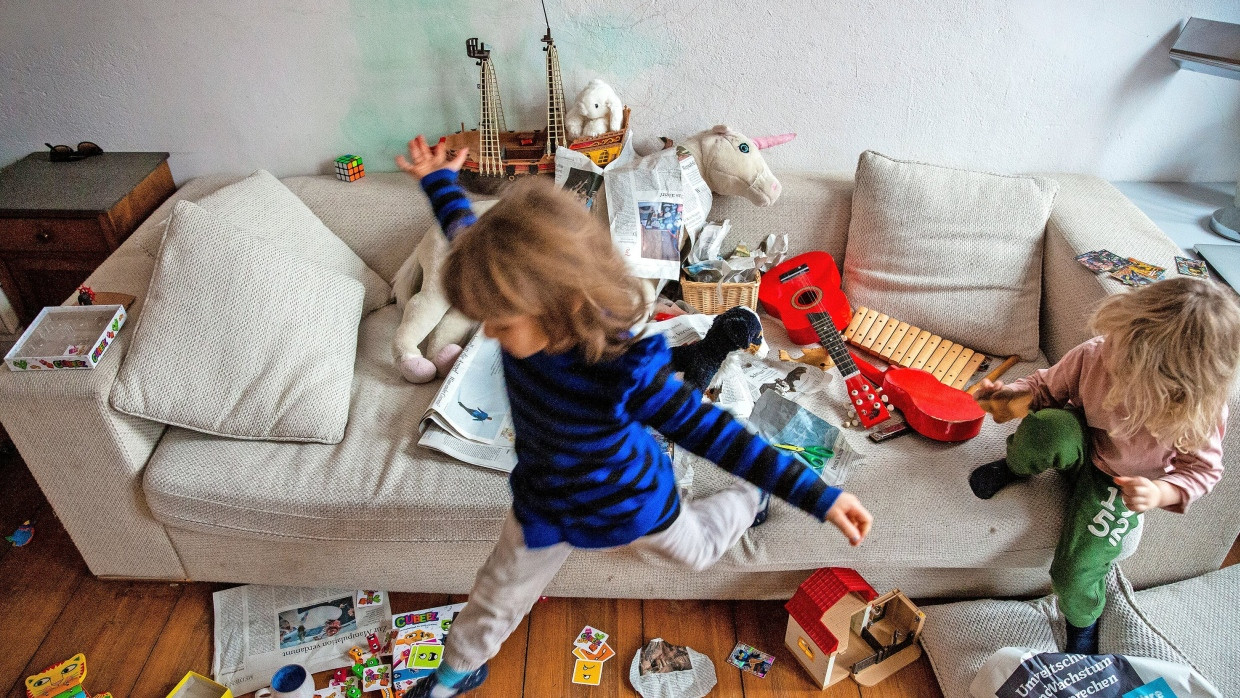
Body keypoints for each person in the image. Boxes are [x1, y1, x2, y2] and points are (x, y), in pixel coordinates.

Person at [395, 136, 873, 697]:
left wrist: (818, 495)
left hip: (634, 503)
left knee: (700, 550)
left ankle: (751, 498)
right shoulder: (513, 293)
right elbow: (468, 238)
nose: (492, 334)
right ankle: (456, 672)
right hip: (543, 502)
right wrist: (438, 181)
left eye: (501, 323)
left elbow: (717, 434)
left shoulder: (624, 367)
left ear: (556, 303)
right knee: (495, 596)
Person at [968, 277, 1240, 654]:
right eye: (1117, 343)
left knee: (1076, 571)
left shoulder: (1198, 415)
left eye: (1129, 370)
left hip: (1119, 484)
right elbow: (1045, 388)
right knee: (1047, 428)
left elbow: (1204, 472)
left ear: (1179, 391)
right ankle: (1016, 467)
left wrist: (1160, 491)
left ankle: (1083, 625)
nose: (1111, 358)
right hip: (1081, 440)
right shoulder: (1097, 353)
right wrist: (1010, 394)